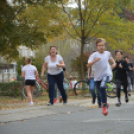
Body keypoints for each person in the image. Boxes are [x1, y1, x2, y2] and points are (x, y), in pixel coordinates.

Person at [87, 38, 116, 116]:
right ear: (96, 46)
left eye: (102, 45)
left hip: (106, 74)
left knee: (103, 87)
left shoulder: (107, 53)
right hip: (97, 77)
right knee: (100, 91)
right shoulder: (94, 55)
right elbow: (88, 65)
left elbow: (111, 59)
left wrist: (114, 63)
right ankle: (105, 103)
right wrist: (95, 61)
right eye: (99, 45)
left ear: (105, 46)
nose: (101, 47)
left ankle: (104, 106)